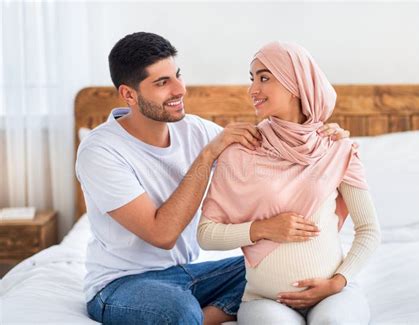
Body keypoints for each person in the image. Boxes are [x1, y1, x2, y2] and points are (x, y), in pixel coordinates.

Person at [76, 32, 349, 325]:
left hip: (191, 272)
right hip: (124, 284)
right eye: (162, 83)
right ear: (129, 95)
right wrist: (207, 156)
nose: (180, 89)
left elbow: (272, 157)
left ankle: (200, 318)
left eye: (177, 75)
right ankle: (191, 318)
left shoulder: (196, 130)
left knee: (279, 273)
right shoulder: (101, 150)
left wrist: (320, 139)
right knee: (177, 311)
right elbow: (162, 234)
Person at [198, 41, 381, 324]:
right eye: (252, 78)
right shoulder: (241, 151)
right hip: (265, 300)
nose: (252, 89)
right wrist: (262, 229)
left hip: (334, 295)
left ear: (295, 83)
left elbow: (369, 230)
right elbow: (206, 234)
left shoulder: (335, 147)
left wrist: (337, 282)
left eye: (264, 77)